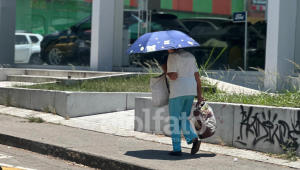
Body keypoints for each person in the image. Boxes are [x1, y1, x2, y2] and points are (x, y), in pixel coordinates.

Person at [162, 48, 204, 156]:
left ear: (172, 46)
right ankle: (194, 139)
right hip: (191, 90)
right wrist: (200, 94)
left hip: (178, 91)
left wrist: (165, 69)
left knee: (174, 120)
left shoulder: (172, 56)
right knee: (184, 117)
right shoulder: (190, 55)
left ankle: (177, 149)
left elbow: (173, 76)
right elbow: (197, 76)